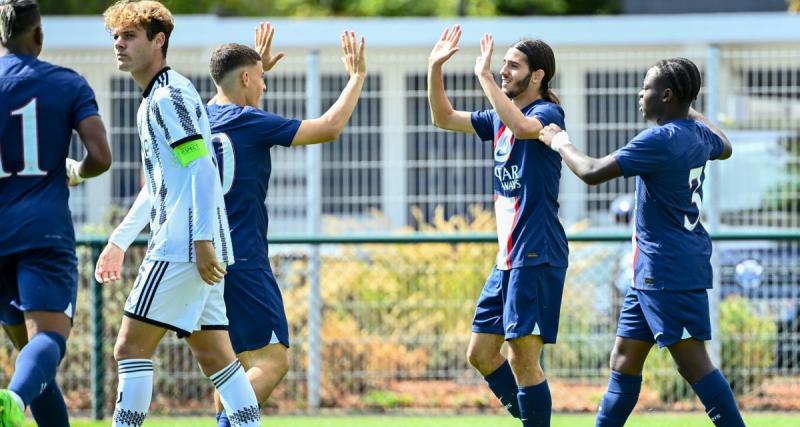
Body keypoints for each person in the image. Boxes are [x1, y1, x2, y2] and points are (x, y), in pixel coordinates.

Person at [537, 57, 745, 427]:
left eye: (646, 87)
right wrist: (689, 106)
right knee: (624, 359)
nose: (640, 93)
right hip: (649, 272)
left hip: (668, 271)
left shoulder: (661, 139)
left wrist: (558, 140)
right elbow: (725, 146)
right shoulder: (697, 134)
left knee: (693, 364)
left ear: (666, 95)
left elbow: (591, 171)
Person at [93, 1, 259, 426]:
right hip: (196, 243)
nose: (119, 44)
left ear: (158, 40)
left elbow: (202, 166)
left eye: (129, 36)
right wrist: (119, 239)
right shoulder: (153, 100)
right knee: (215, 356)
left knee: (130, 349)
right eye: (116, 36)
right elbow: (161, 185)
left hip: (185, 245)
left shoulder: (169, 95)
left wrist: (202, 240)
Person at [205, 22, 366, 426]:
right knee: (273, 362)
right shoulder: (250, 122)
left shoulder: (200, 119)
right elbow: (328, 127)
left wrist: (255, 75)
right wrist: (357, 77)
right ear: (244, 77)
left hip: (203, 261)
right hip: (243, 258)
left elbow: (237, 119)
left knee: (233, 369)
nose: (264, 87)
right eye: (259, 80)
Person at [428, 25, 568, 427]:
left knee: (522, 358)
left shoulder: (545, 113)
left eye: (512, 65)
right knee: (481, 353)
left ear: (537, 75)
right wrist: (435, 67)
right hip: (508, 257)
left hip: (536, 251)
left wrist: (485, 77)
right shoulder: (498, 118)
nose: (504, 70)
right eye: (502, 65)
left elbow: (527, 129)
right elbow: (443, 117)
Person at [0, 0, 111, 425]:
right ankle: (13, 397)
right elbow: (100, 156)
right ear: (40, 36)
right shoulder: (66, 83)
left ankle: (15, 397)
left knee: (33, 361)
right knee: (45, 342)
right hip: (42, 233)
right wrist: (77, 172)